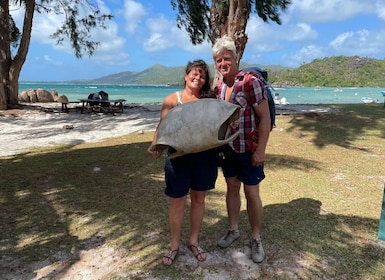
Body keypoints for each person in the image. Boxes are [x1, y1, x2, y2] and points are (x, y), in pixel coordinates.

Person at [147, 59, 218, 266]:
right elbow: (162, 127)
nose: (198, 78)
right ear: (186, 75)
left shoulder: (209, 100)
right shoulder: (172, 99)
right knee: (177, 200)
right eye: (194, 74)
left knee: (199, 199)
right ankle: (174, 245)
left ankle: (194, 241)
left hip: (205, 156)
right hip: (177, 157)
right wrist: (154, 146)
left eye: (202, 76)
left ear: (205, 81)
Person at [212, 35, 272, 263]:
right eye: (218, 60)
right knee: (232, 187)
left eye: (226, 58)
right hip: (229, 149)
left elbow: (264, 118)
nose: (223, 64)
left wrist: (261, 150)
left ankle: (256, 238)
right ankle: (234, 229)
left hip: (249, 148)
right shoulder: (220, 89)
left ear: (235, 58)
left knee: (251, 192)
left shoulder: (250, 82)